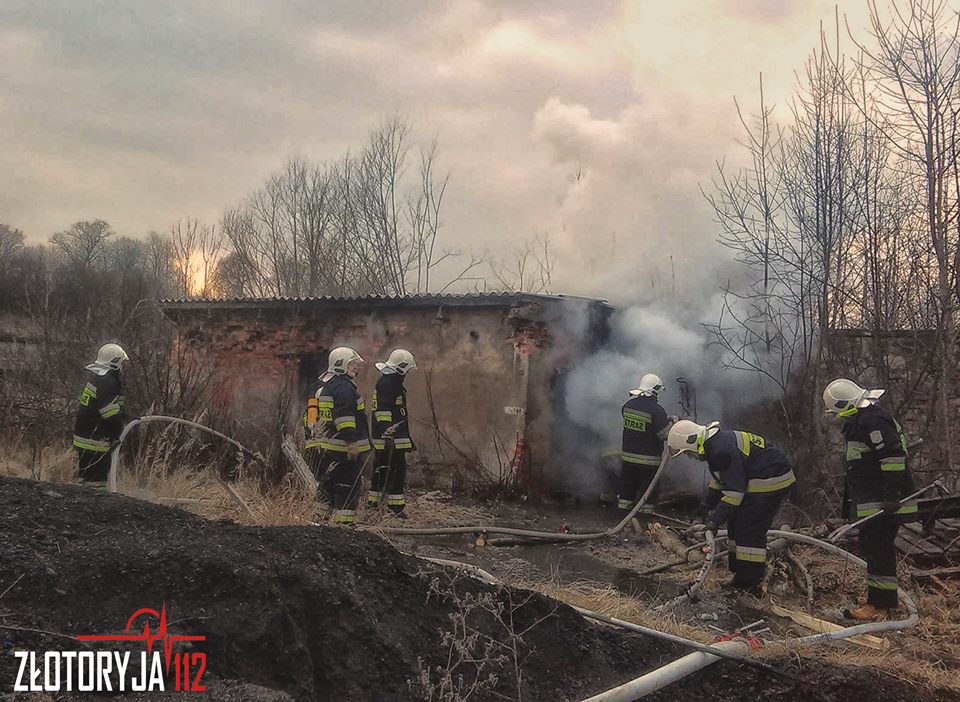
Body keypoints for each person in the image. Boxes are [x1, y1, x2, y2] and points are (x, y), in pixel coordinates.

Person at [823, 378, 915, 621]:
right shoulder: (864, 420)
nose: (838, 417)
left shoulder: (873, 421)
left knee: (879, 550)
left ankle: (880, 605)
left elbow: (892, 458)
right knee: (872, 547)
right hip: (873, 500)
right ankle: (878, 597)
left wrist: (891, 497)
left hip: (883, 501)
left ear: (845, 404)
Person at [668, 419, 796, 593]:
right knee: (734, 525)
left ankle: (750, 584)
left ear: (692, 441)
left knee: (748, 529)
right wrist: (706, 505)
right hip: (756, 478)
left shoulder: (720, 450)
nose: (690, 457)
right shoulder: (715, 445)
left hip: (770, 481)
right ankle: (740, 577)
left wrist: (714, 522)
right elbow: (720, 480)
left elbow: (735, 492)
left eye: (688, 453)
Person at [313, 346, 371, 524]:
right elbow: (344, 418)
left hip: (330, 447)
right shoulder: (344, 388)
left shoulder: (329, 387)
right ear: (341, 365)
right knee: (347, 485)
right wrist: (352, 442)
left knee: (328, 484)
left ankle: (319, 519)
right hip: (344, 448)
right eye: (352, 364)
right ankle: (344, 524)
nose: (356, 367)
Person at [367, 349, 417, 516]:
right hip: (390, 439)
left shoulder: (389, 382)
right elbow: (383, 411)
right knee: (395, 471)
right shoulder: (389, 383)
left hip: (391, 438)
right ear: (402, 367)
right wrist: (388, 433)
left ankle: (375, 504)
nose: (407, 373)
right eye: (407, 369)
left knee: (383, 470)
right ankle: (394, 508)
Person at [73, 343, 129, 488]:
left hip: (85, 438)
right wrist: (118, 432)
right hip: (96, 441)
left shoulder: (98, 378)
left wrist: (124, 415)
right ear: (115, 363)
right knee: (96, 486)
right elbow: (109, 413)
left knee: (85, 481)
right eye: (122, 363)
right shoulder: (107, 382)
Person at [618, 373, 670, 516]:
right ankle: (645, 518)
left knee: (627, 488)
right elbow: (664, 435)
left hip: (628, 458)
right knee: (647, 491)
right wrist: (672, 425)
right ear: (655, 391)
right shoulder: (657, 410)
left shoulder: (627, 406)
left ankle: (622, 515)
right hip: (648, 461)